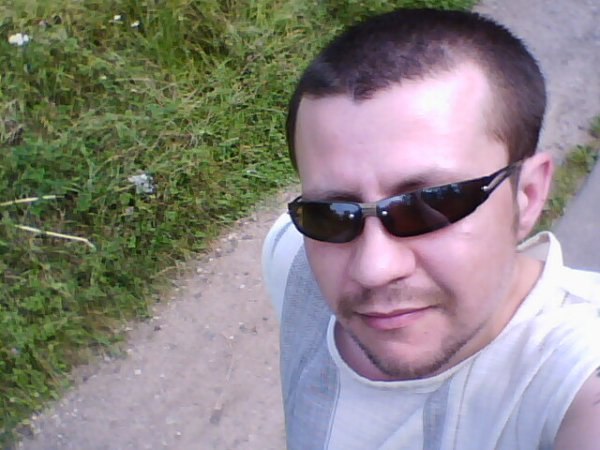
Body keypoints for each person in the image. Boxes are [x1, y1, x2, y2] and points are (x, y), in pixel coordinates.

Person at [262, 7, 600, 450]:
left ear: (528, 195)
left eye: (429, 205)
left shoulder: (575, 370)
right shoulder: (292, 256)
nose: (373, 269)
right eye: (332, 213)